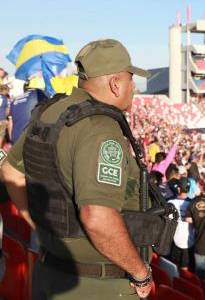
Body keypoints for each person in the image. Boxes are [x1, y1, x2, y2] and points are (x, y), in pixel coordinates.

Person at [0, 39, 153, 299]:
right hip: (97, 283)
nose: (134, 86)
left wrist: (39, 225)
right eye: (130, 79)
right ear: (116, 83)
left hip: (50, 270)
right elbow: (98, 217)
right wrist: (141, 272)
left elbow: (10, 172)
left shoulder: (51, 111)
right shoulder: (101, 128)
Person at [168, 177, 195, 270]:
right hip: (189, 240)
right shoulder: (193, 203)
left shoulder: (170, 202)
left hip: (173, 239)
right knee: (185, 268)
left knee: (173, 267)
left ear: (178, 188)